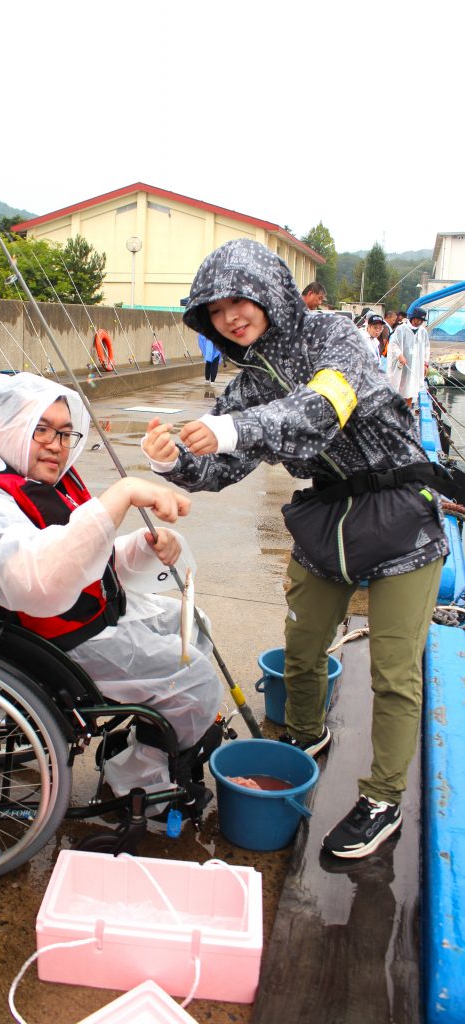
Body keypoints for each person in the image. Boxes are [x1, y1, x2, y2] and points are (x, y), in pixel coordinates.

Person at [142, 238, 449, 860]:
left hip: (400, 513)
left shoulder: (332, 333)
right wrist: (175, 461)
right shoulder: (247, 382)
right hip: (328, 517)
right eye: (215, 310)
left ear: (270, 289)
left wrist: (234, 427)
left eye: (240, 300)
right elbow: (224, 468)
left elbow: (324, 407)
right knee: (302, 647)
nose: (230, 317)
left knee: (395, 672)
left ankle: (383, 797)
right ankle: (306, 736)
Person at [0, 372, 223, 814]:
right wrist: (120, 496)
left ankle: (154, 731)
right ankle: (138, 781)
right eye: (40, 428)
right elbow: (35, 580)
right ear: (5, 427)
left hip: (70, 620)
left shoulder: (32, 479)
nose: (56, 444)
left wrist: (142, 546)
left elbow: (76, 556)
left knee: (191, 624)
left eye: (64, 432)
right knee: (193, 679)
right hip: (37, 640)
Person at [387, 306, 430, 407]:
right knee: (398, 386)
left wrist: (425, 363)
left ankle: (407, 411)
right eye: (418, 319)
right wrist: (399, 355)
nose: (419, 322)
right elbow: (393, 344)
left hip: (416, 365)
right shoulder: (401, 329)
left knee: (411, 388)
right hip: (402, 364)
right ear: (413, 318)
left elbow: (427, 348)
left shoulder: (423, 332)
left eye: (421, 320)